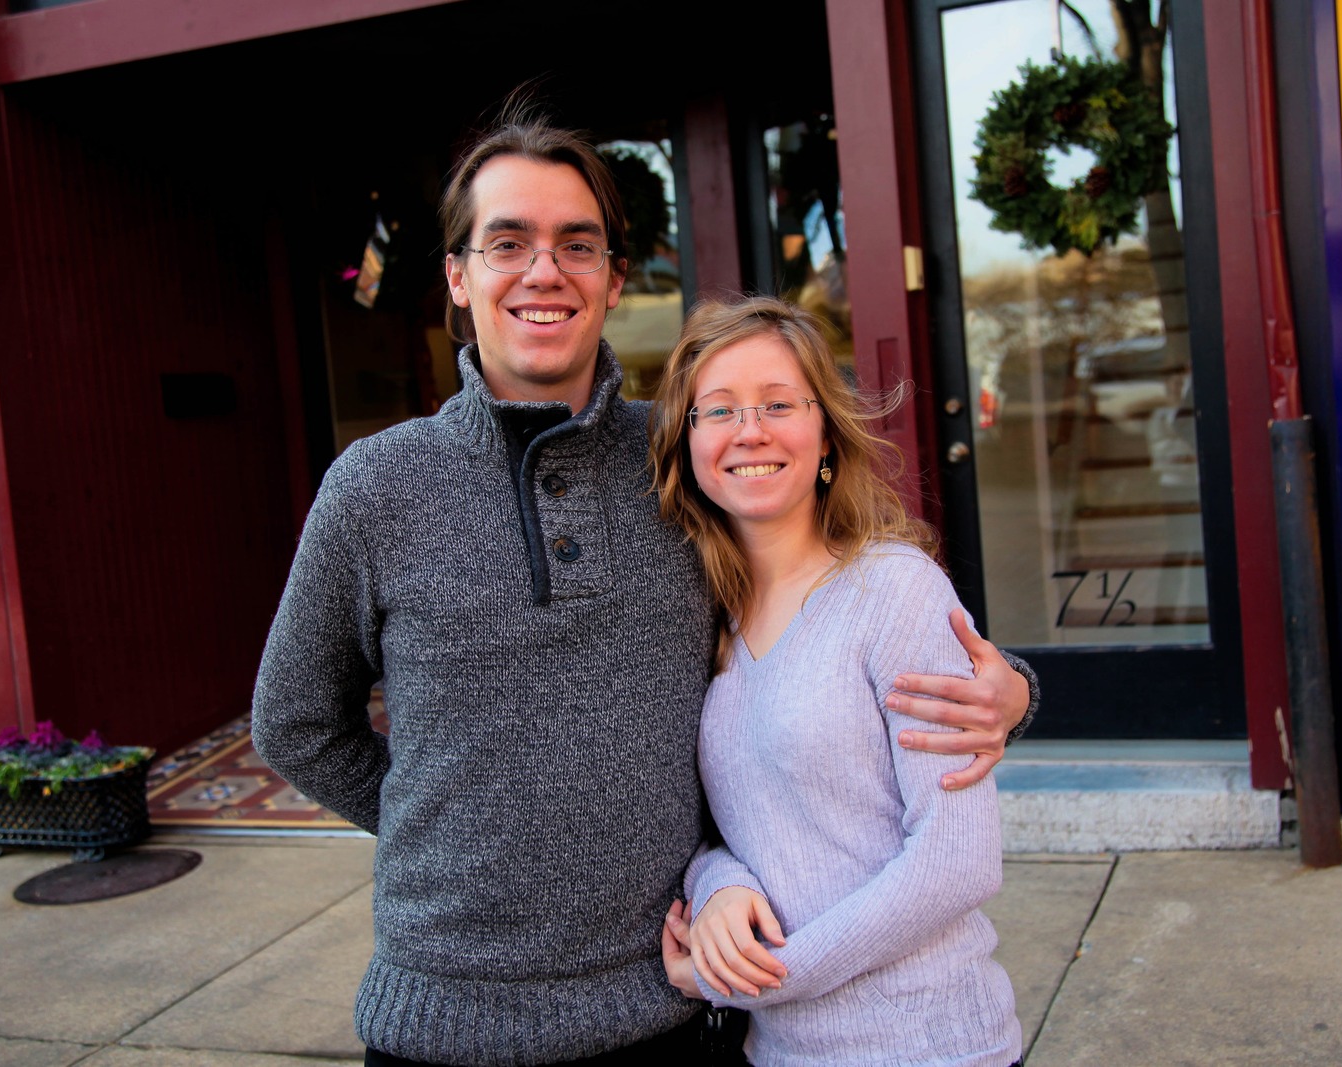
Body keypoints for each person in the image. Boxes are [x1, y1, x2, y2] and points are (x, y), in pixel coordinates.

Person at [250, 102, 1035, 1066]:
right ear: (457, 276)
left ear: (615, 279)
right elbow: (293, 718)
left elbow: (836, 598)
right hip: (444, 1017)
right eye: (508, 243)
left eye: (576, 244)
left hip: (663, 1009)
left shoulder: (685, 461)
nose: (544, 270)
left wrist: (1016, 689)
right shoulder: (374, 487)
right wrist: (442, 827)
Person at [653, 297, 1022, 1066]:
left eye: (778, 403)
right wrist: (717, 885)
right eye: (717, 410)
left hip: (929, 1045)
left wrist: (755, 978)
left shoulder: (895, 590)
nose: (749, 429)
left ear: (825, 432)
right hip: (779, 1053)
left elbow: (957, 859)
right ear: (689, 445)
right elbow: (729, 821)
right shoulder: (703, 619)